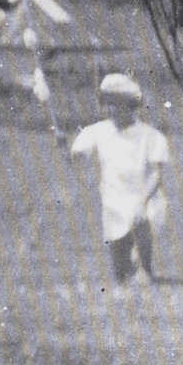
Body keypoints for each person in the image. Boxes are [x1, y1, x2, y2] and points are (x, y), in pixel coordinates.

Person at [69, 73, 169, 286]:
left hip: (147, 200)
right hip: (113, 204)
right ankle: (129, 260)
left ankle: (146, 270)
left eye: (117, 104)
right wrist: (61, 144)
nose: (110, 110)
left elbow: (157, 176)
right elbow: (73, 158)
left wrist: (142, 204)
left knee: (138, 220)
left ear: (131, 105)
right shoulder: (97, 131)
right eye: (107, 104)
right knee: (121, 275)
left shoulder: (151, 136)